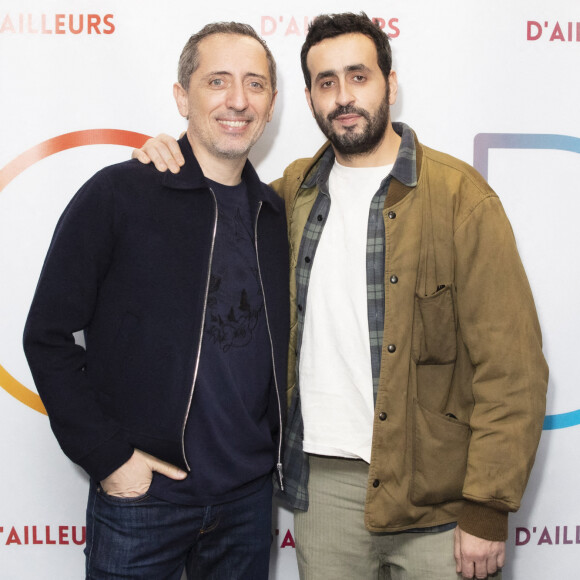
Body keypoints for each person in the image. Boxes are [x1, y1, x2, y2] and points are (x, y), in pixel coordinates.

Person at [133, 12, 548, 580]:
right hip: (324, 493)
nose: (343, 96)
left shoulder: (460, 200)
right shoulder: (287, 198)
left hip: (440, 497)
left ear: (391, 85)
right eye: (326, 82)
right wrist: (166, 153)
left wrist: (487, 508)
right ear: (307, 97)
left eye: (359, 76)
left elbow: (512, 369)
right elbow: (214, 185)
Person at [23, 21, 288, 580]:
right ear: (181, 97)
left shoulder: (277, 216)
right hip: (144, 504)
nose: (237, 100)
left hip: (247, 503)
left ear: (271, 104)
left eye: (255, 84)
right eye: (217, 81)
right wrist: (111, 459)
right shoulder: (120, 193)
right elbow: (46, 334)